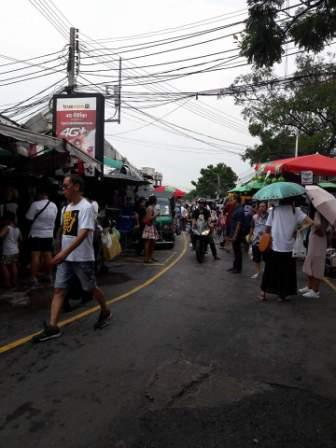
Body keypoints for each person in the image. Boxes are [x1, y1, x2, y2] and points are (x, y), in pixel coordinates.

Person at [32, 175, 111, 343]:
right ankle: (53, 326)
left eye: (66, 186)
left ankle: (105, 310)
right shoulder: (66, 208)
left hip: (82, 258)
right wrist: (58, 249)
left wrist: (62, 254)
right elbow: (63, 231)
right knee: (59, 289)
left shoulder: (86, 207)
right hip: (66, 258)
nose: (63, 189)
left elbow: (83, 234)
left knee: (90, 288)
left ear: (76, 187)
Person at [260, 199, 313, 302]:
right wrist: (299, 230)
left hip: (275, 245)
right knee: (286, 272)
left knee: (270, 270)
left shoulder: (274, 210)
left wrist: (265, 237)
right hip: (289, 247)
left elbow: (267, 228)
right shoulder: (296, 210)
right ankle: (282, 295)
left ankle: (263, 293)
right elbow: (310, 222)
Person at [25, 187, 58, 286]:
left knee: (35, 255)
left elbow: (28, 218)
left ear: (40, 195)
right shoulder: (54, 205)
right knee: (48, 255)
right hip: (48, 234)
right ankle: (49, 275)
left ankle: (34, 278)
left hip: (36, 234)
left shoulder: (35, 204)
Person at [299, 209, 329, 299]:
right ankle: (310, 287)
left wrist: (314, 224)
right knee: (311, 262)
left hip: (318, 240)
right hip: (316, 240)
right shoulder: (323, 213)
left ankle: (315, 290)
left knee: (317, 264)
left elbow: (318, 224)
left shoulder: (318, 213)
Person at [0, 212, 21, 289]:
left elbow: (1, 236)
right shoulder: (17, 228)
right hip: (15, 250)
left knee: (3, 266)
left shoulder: (7, 227)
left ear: (8, 219)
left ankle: (7, 283)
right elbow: (20, 239)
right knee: (14, 265)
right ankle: (14, 282)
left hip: (7, 250)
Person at [249, 202, 268, 279]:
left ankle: (266, 270)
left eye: (263, 206)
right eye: (260, 206)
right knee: (256, 258)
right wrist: (250, 237)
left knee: (266, 258)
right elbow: (252, 227)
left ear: (266, 207)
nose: (261, 208)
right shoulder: (254, 217)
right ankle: (257, 272)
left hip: (266, 240)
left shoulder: (269, 217)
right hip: (256, 240)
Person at [227, 195, 245, 273]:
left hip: (237, 234)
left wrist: (235, 235)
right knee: (235, 251)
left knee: (238, 252)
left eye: (232, 200)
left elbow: (238, 224)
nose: (231, 201)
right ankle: (235, 266)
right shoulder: (236, 209)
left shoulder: (240, 210)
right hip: (234, 232)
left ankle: (238, 268)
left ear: (236, 200)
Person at [143, 195, 159, 264]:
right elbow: (149, 218)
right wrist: (156, 214)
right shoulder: (149, 208)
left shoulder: (152, 207)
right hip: (149, 226)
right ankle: (147, 258)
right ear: (154, 201)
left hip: (152, 226)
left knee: (152, 242)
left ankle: (150, 257)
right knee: (148, 242)